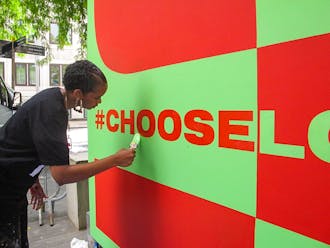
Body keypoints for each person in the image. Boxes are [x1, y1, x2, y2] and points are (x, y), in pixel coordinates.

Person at [0, 60, 136, 247]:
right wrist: (114, 160)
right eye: (97, 97)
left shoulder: (52, 99)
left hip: (14, 188)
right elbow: (61, 175)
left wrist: (32, 179)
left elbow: (23, 143)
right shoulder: (52, 111)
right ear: (78, 94)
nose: (100, 102)